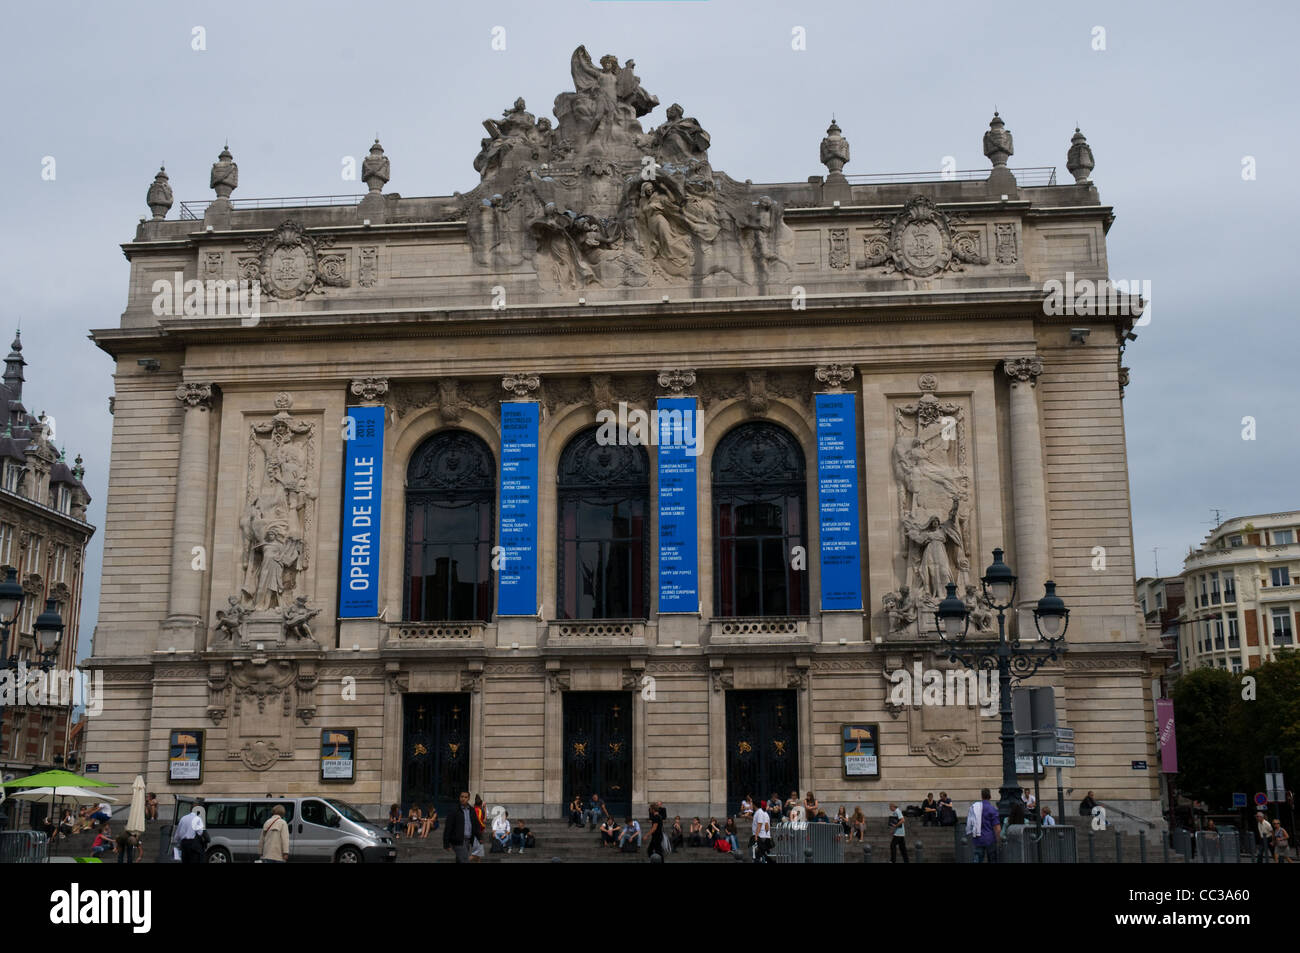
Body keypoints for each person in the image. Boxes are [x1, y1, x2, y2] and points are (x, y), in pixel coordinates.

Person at [443, 791, 483, 864]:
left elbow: (476, 825)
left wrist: (479, 837)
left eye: (465, 797)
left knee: (460, 860)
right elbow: (448, 827)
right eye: (462, 797)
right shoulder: (454, 810)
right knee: (465, 860)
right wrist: (446, 843)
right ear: (459, 798)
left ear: (468, 798)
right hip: (457, 840)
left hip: (468, 839)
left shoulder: (472, 810)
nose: (463, 799)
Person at [967, 788, 1001, 863]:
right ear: (990, 796)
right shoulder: (992, 809)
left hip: (978, 838)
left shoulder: (975, 808)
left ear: (981, 796)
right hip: (990, 838)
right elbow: (997, 827)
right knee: (992, 859)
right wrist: (999, 839)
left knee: (978, 859)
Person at [471, 796, 487, 861]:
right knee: (476, 853)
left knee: (478, 853)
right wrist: (485, 808)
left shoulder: (472, 810)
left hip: (473, 832)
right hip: (479, 833)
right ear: (480, 804)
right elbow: (484, 820)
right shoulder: (480, 811)